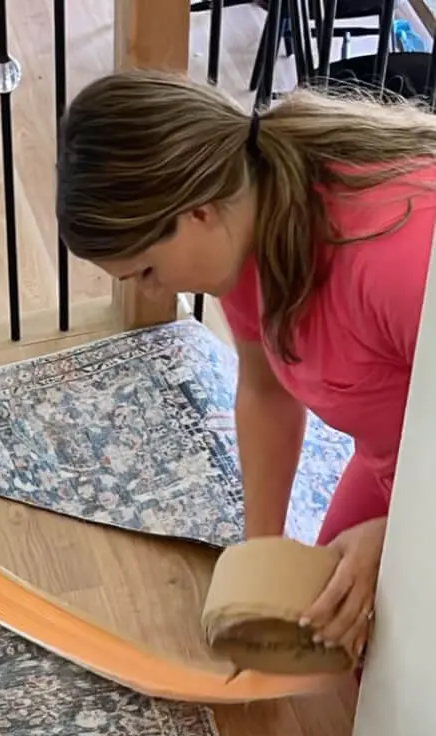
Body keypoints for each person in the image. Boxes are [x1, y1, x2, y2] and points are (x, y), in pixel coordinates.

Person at [56, 71, 436, 662]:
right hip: (401, 453)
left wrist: (399, 537)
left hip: (422, 472)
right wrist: (261, 556)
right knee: (336, 626)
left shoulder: (399, 256)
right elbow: (266, 395)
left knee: (400, 678)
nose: (156, 290)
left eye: (148, 271)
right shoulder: (249, 231)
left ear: (199, 213)